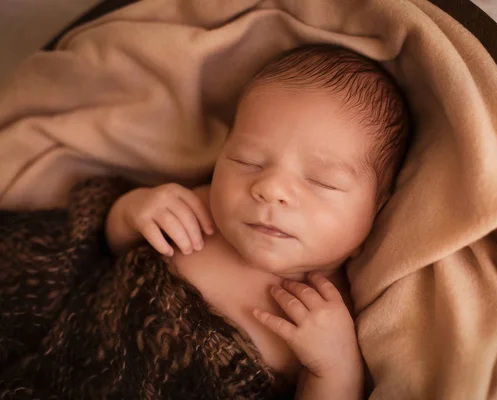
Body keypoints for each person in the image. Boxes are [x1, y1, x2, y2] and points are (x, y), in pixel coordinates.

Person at [0, 44, 410, 399]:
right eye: (247, 161)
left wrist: (335, 370)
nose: (271, 188)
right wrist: (131, 211)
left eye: (321, 181)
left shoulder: (329, 319)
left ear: (374, 211)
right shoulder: (201, 209)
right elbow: (107, 248)